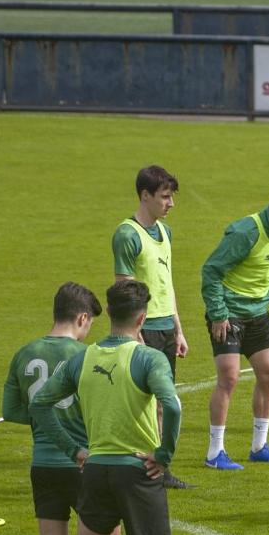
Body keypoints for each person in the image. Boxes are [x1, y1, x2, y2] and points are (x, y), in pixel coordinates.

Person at [30, 279, 201, 535]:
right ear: (142, 317)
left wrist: (74, 450)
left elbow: (41, 404)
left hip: (96, 470)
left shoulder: (82, 359)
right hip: (138, 472)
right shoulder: (146, 359)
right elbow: (172, 407)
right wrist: (164, 455)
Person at [2, 283, 148, 535]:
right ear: (83, 318)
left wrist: (44, 427)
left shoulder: (25, 354)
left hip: (43, 465)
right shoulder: (84, 356)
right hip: (85, 463)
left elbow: (15, 410)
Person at [201, 182, 269, 471]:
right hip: (228, 313)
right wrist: (218, 314)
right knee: (229, 378)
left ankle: (259, 446)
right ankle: (214, 452)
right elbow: (211, 270)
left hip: (259, 314)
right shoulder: (247, 231)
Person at [112, 165, 191, 489]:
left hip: (165, 329)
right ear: (145, 196)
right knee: (139, 402)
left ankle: (158, 467)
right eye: (165, 197)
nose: (170, 203)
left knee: (161, 400)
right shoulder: (127, 234)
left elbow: (166, 283)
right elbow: (124, 289)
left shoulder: (165, 232)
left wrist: (178, 329)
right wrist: (136, 334)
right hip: (141, 330)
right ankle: (132, 465)